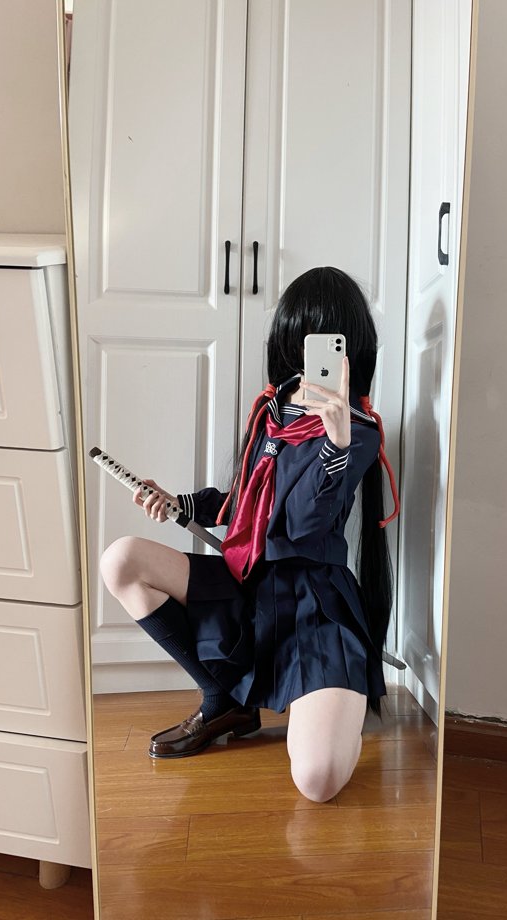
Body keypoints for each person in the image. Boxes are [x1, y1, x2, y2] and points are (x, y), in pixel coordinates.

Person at [99, 266, 399, 803]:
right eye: (301, 337)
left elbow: (303, 525)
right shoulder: (270, 410)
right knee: (122, 560)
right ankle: (224, 699)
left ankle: (332, 706)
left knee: (318, 781)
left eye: (326, 341)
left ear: (350, 350)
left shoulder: (359, 430)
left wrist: (334, 447)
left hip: (315, 606)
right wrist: (180, 503)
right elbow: (245, 500)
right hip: (251, 585)